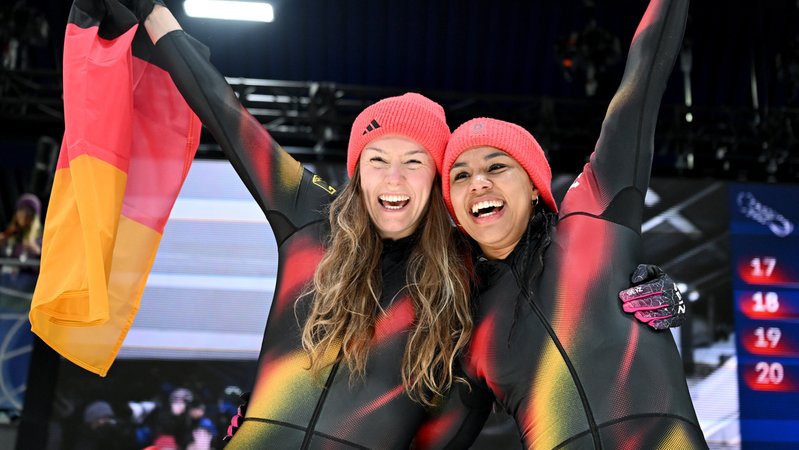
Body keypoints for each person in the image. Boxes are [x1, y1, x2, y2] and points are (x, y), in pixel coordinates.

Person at [72, 1, 687, 448]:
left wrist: (656, 291)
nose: (394, 178)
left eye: (416, 162)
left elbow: (645, 80)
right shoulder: (314, 226)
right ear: (357, 173)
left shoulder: (467, 300)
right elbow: (226, 114)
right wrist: (154, 13)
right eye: (378, 160)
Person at [440, 0, 707, 448]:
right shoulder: (464, 323)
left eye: (497, 166)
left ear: (532, 186)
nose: (478, 183)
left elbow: (642, 82)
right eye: (460, 176)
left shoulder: (592, 218)